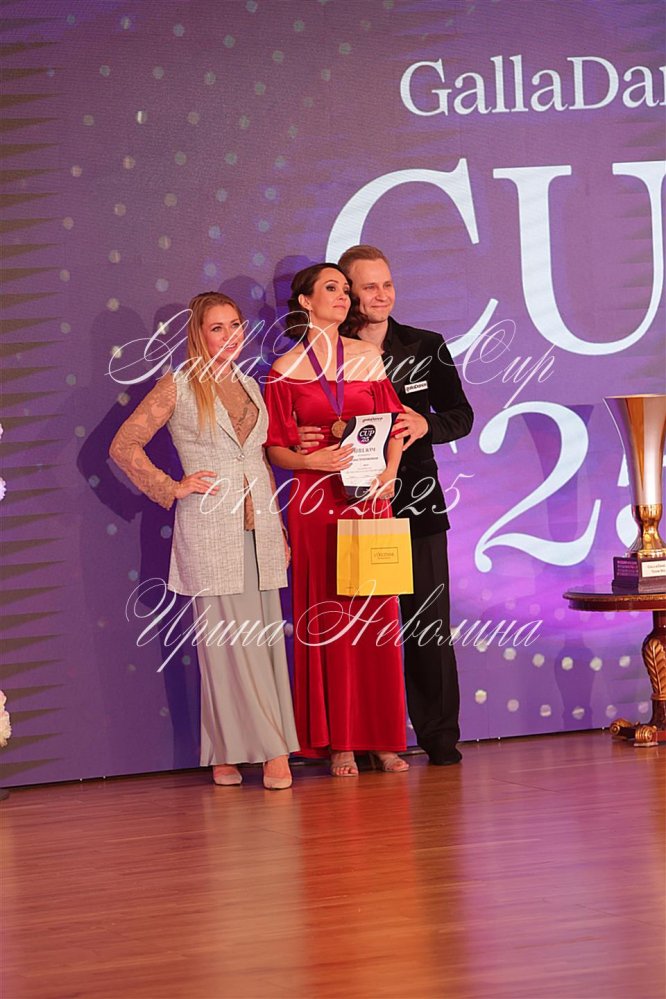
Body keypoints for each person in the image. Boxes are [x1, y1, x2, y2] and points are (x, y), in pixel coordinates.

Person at [109, 291, 299, 790]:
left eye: (235, 325)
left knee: (259, 644)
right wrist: (170, 487)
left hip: (260, 533)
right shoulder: (177, 385)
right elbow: (124, 445)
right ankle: (273, 750)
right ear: (198, 334)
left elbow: (258, 461)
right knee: (227, 648)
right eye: (218, 328)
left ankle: (223, 755)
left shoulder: (250, 385)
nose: (230, 336)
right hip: (212, 532)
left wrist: (278, 529)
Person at [298, 247, 474, 766]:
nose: (381, 295)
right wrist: (306, 437)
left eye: (388, 284)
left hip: (416, 503)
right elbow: (300, 417)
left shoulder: (426, 345)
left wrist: (426, 424)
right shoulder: (319, 351)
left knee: (427, 623)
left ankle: (438, 737)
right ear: (348, 292)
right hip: (349, 507)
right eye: (369, 286)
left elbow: (461, 415)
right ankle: (366, 739)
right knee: (360, 631)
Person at [264, 263, 409, 777]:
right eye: (332, 288)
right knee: (329, 619)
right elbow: (275, 448)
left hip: (369, 497)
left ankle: (383, 739)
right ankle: (339, 742)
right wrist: (311, 460)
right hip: (315, 503)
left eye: (346, 289)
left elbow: (396, 424)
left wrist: (390, 473)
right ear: (305, 301)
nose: (344, 296)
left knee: (376, 620)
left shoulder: (368, 356)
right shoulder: (283, 369)